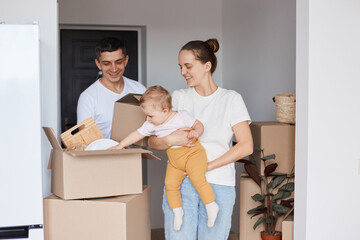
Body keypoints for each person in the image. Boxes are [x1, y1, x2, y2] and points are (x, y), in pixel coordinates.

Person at [148, 39, 253, 240]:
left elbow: (246, 145)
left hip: (219, 184)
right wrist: (170, 140)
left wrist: (206, 166)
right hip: (182, 183)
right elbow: (152, 141)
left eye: (188, 66)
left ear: (207, 66)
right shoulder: (178, 98)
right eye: (180, 67)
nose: (182, 72)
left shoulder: (231, 99)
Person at [110, 86, 219, 231]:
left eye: (150, 116)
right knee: (170, 184)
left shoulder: (181, 116)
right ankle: (177, 211)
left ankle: (211, 205)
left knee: (197, 177)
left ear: (165, 111)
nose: (147, 119)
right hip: (175, 161)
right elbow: (137, 134)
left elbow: (198, 124)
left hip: (192, 153)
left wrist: (196, 132)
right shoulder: (151, 125)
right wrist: (120, 145)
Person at [77, 37, 146, 138]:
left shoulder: (140, 89)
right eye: (107, 63)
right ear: (98, 64)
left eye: (118, 62)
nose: (114, 69)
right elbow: (86, 138)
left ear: (126, 61)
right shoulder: (88, 97)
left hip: (138, 153)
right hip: (104, 154)